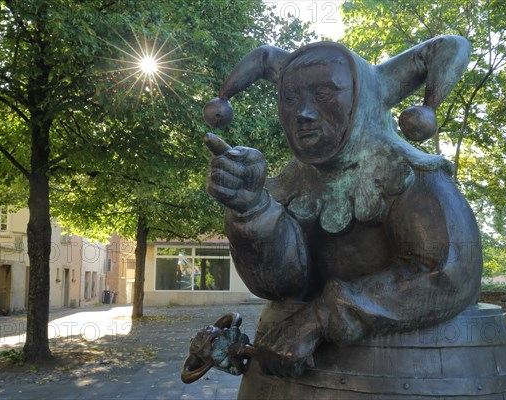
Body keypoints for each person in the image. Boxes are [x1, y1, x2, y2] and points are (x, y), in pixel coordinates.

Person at [204, 36, 482, 379]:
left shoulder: (411, 177)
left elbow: (450, 274)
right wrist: (251, 210)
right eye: (290, 99)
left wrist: (321, 317)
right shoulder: (292, 185)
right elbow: (281, 286)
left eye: (324, 94)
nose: (303, 113)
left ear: (360, 99)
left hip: (407, 379)